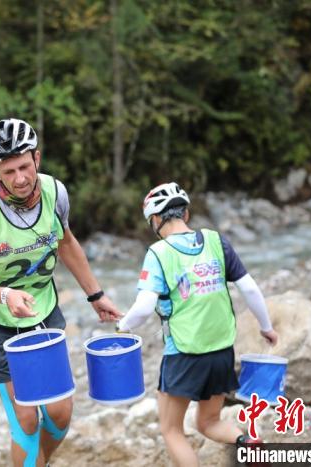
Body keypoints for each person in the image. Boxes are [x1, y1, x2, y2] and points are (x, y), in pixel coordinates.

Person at [0, 118, 122, 467]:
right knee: (27, 419)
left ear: (37, 158)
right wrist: (5, 295)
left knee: (60, 413)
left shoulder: (55, 192)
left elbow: (66, 242)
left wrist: (96, 295)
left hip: (41, 313)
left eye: (25, 167)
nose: (19, 178)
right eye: (9, 171)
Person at [117, 182, 279, 467]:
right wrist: (266, 327)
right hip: (221, 351)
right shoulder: (217, 241)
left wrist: (122, 326)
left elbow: (142, 309)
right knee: (209, 421)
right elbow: (250, 289)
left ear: (155, 220)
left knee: (171, 430)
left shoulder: (158, 253)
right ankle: (248, 443)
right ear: (186, 214)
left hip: (184, 354)